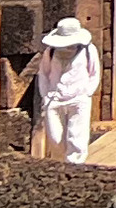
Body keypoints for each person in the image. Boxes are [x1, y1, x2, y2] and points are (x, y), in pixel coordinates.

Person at [30, 13, 101, 164]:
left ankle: (75, 167)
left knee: (77, 137)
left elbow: (94, 73)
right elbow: (43, 73)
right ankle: (60, 165)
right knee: (55, 138)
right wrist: (45, 94)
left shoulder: (88, 50)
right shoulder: (50, 52)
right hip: (54, 99)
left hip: (78, 98)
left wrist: (87, 93)